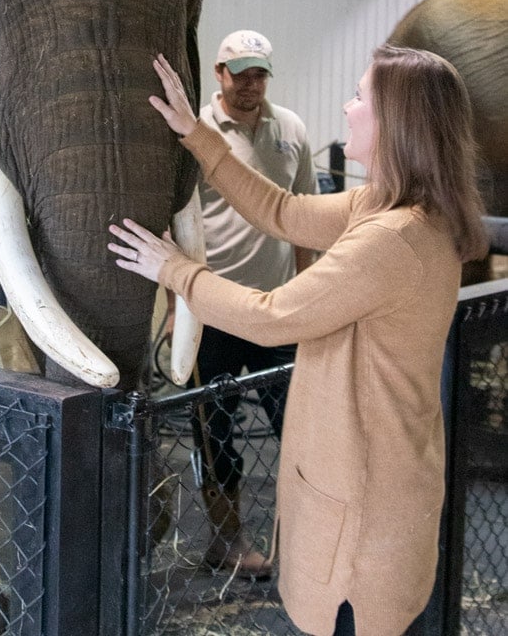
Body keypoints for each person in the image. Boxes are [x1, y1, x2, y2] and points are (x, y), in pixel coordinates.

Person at [109, 45, 488, 636]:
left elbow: (272, 315)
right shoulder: (400, 210)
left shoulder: (392, 238)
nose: (347, 106)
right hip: (385, 507)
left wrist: (174, 271)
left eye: (362, 97)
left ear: (396, 122)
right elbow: (283, 211)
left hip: (360, 544)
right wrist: (197, 134)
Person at [179, 28, 318, 579]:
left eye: (259, 74)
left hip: (278, 307)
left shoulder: (291, 130)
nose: (251, 85)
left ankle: (303, 540)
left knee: (300, 426)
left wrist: (307, 294)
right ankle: (226, 540)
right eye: (241, 75)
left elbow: (303, 215)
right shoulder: (196, 131)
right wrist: (177, 306)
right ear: (219, 74)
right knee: (215, 433)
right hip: (212, 311)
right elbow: (178, 217)